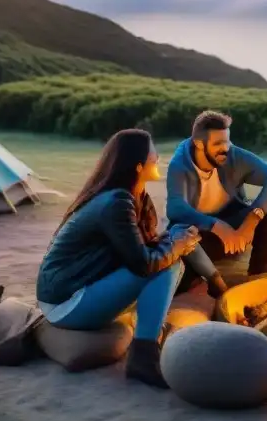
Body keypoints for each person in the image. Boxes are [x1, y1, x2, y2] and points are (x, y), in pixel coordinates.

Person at [36, 128, 202, 388]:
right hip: (66, 303)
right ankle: (143, 358)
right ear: (138, 165)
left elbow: (142, 249)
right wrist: (177, 247)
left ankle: (147, 342)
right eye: (152, 151)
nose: (157, 156)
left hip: (87, 287)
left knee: (173, 249)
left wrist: (177, 239)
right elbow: (144, 264)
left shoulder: (137, 198)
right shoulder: (116, 202)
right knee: (167, 266)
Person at [166, 110, 267, 291]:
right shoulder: (179, 164)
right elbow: (175, 209)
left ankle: (259, 274)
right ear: (199, 144)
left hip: (234, 222)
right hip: (201, 233)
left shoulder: (232, 155)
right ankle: (204, 281)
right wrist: (216, 226)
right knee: (180, 269)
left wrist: (251, 221)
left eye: (227, 140)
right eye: (218, 143)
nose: (226, 148)